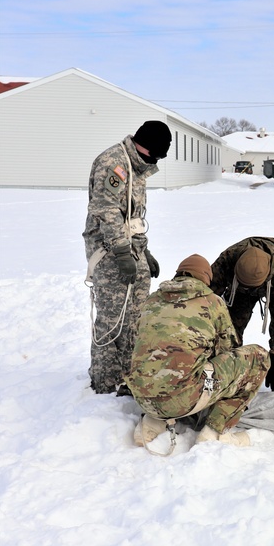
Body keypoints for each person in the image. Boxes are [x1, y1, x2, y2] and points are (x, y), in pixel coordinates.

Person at [126, 255, 270, 448]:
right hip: (184, 399)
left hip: (142, 396)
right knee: (257, 358)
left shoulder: (151, 300)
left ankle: (153, 420)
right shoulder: (213, 302)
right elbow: (227, 349)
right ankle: (215, 432)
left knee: (163, 364)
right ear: (205, 278)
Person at [83, 120, 172, 395]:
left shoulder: (138, 167)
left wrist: (143, 250)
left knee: (136, 316)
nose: (154, 161)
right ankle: (106, 380)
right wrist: (122, 252)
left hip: (131, 248)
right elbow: (106, 210)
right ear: (142, 146)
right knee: (112, 317)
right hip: (109, 251)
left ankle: (128, 373)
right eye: (154, 155)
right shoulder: (115, 163)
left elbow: (132, 217)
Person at [210, 237, 274, 392]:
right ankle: (227, 380)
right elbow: (206, 292)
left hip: (273, 284)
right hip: (237, 288)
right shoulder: (228, 259)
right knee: (228, 331)